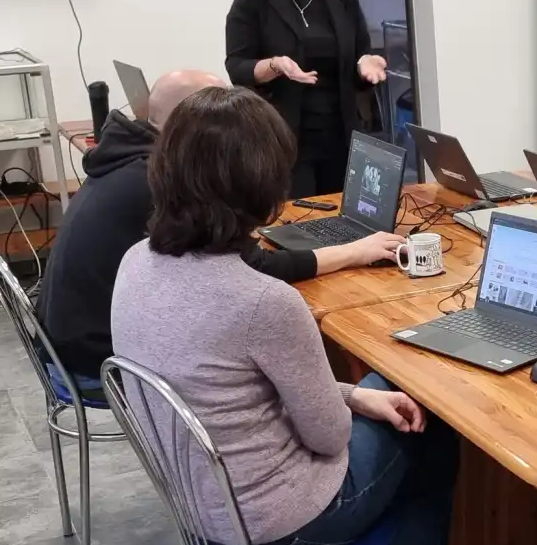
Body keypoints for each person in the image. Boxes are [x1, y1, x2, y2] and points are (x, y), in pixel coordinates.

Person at [110, 86, 458, 545]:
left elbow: (240, 394)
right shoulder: (264, 302)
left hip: (197, 504)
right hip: (283, 525)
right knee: (430, 423)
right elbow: (329, 438)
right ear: (264, 189)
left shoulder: (137, 260)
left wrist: (353, 393)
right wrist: (350, 401)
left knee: (386, 391)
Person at [39, 70, 401, 389]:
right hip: (100, 366)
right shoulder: (154, 183)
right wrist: (354, 252)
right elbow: (249, 268)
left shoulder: (131, 158)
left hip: (72, 342)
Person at [226, 0, 388, 197]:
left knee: (344, 219)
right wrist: (275, 65)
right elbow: (237, 66)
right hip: (284, 136)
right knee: (297, 223)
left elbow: (360, 56)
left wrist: (366, 65)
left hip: (342, 135)